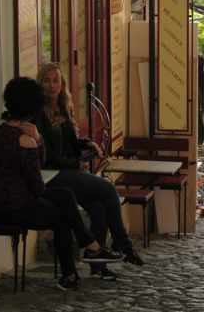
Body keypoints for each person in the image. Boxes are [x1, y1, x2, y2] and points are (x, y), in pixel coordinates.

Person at [0, 77, 123, 290]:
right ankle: (90, 251)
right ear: (32, 107)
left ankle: (78, 267)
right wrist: (39, 140)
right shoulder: (26, 139)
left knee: (65, 198)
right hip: (15, 208)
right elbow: (37, 184)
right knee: (63, 211)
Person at [36, 63, 144, 282]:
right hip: (51, 176)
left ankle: (98, 265)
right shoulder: (38, 112)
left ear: (62, 83)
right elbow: (45, 156)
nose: (51, 85)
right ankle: (123, 243)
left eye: (55, 80)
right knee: (106, 188)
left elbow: (71, 143)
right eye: (46, 80)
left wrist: (88, 144)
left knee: (98, 206)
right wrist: (75, 163)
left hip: (68, 171)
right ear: (40, 83)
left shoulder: (64, 106)